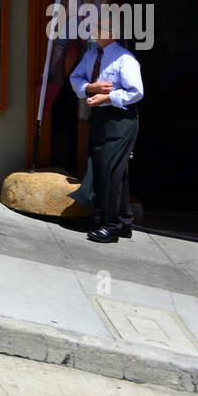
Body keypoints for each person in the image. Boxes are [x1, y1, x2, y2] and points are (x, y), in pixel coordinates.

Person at [69, 28, 143, 243]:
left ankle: (110, 224)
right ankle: (122, 221)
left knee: (108, 170)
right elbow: (76, 77)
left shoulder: (125, 59)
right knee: (107, 168)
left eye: (98, 28)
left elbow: (135, 91)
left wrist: (107, 97)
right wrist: (91, 87)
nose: (92, 32)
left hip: (120, 118)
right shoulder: (91, 54)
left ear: (111, 32)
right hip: (100, 117)